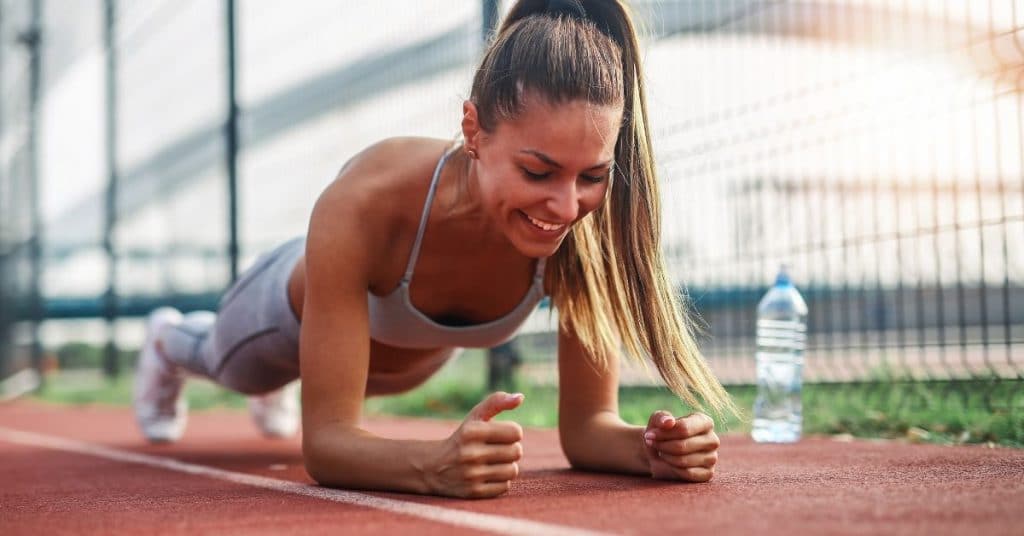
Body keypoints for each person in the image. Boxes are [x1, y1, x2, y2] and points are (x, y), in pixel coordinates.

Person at [133, 0, 740, 499]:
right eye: (537, 172)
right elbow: (327, 445)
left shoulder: (584, 234)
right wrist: (432, 465)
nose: (565, 206)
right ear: (473, 130)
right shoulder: (364, 202)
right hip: (280, 321)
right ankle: (169, 342)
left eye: (590, 176)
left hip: (403, 359)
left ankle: (294, 382)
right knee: (227, 364)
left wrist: (650, 448)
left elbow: (586, 429)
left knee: (334, 385)